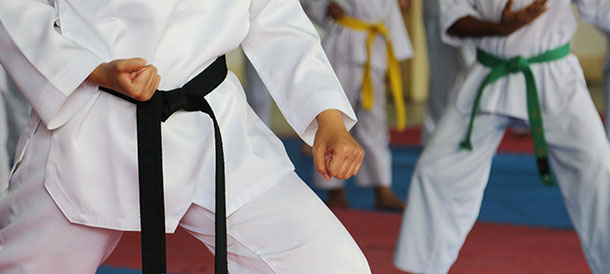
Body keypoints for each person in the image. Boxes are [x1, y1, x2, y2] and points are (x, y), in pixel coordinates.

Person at [0, 0, 373, 273]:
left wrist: (328, 118)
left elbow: (276, 16)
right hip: (90, 127)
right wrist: (90, 69)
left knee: (333, 264)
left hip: (213, 130)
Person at [394, 0, 610, 273]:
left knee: (598, 170)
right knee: (435, 170)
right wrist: (499, 28)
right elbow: (454, 17)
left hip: (555, 73)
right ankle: (424, 267)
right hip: (488, 72)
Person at [301, 0, 413, 210]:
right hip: (342, 45)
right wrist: (324, 8)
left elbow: (391, 12)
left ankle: (382, 188)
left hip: (375, 50)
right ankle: (334, 189)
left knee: (375, 122)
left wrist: (394, 60)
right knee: (333, 117)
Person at [420, 0, 475, 145]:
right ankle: (435, 136)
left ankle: (475, 134)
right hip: (437, 9)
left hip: (474, 13)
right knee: (440, 77)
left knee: (477, 74)